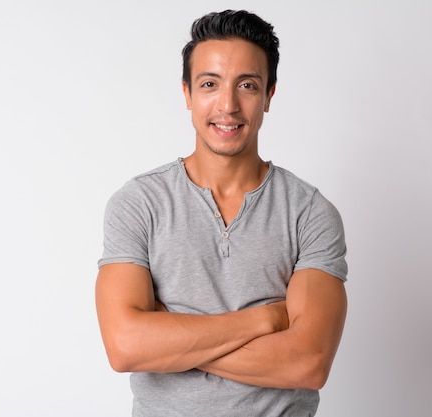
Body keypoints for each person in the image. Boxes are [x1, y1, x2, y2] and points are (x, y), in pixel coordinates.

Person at [95, 9, 348, 417]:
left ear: (268, 95)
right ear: (187, 94)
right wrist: (265, 320)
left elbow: (308, 362)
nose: (227, 105)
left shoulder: (310, 212)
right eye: (209, 84)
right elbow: (125, 348)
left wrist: (169, 340)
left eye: (246, 85)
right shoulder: (139, 204)